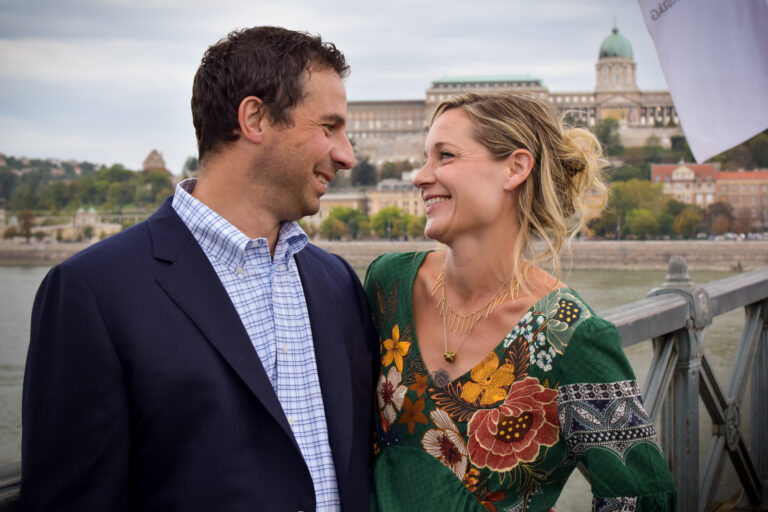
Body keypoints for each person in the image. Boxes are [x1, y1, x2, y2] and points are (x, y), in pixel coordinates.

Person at [22, 26, 377, 511]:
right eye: (330, 127)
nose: (347, 155)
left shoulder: (337, 282)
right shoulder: (92, 292)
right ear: (254, 118)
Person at [364, 92, 676, 511]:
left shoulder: (571, 336)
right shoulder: (389, 284)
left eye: (445, 156)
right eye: (425, 157)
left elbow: (642, 499)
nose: (420, 176)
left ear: (515, 168)